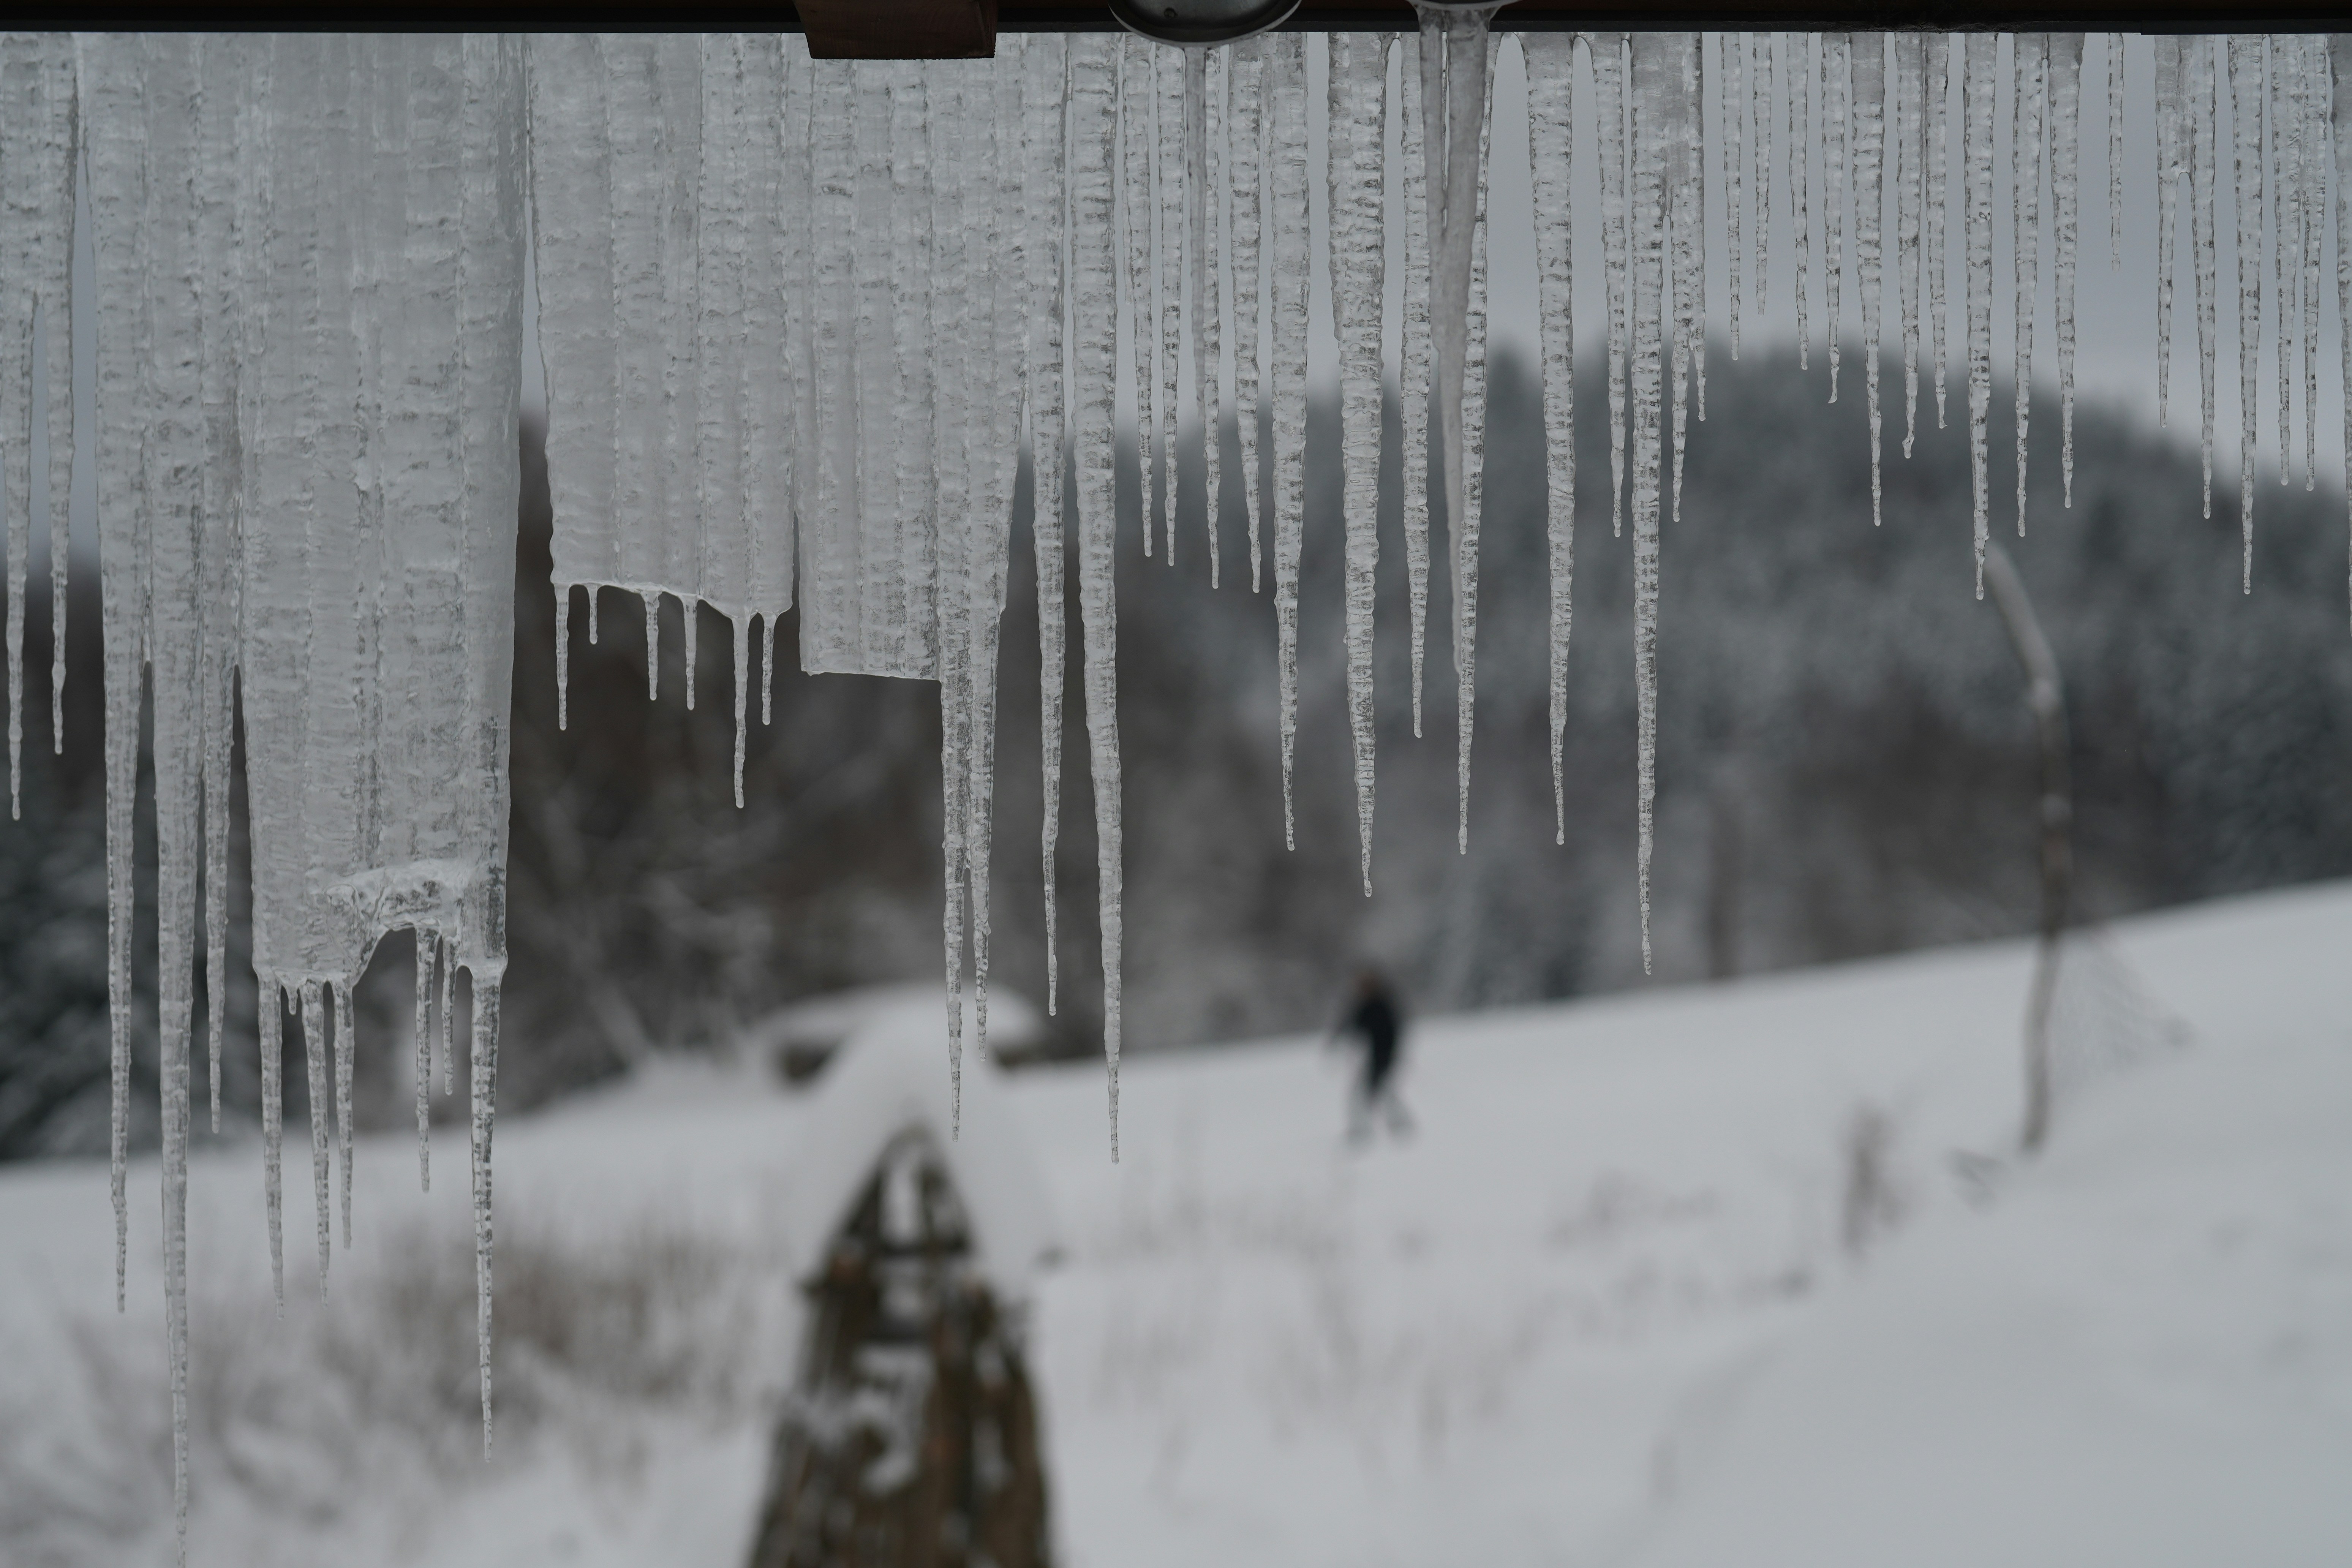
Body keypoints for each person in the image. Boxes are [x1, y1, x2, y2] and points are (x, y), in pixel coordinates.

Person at [1332, 969, 1412, 1144]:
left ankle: (1383, 1125)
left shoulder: (1381, 1005)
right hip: (1375, 1056)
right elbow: (1352, 1023)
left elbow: (1391, 1031)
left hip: (1383, 1055)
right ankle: (1397, 1122)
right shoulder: (1367, 1005)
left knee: (1369, 1091)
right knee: (1377, 1090)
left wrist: (1387, 1055)